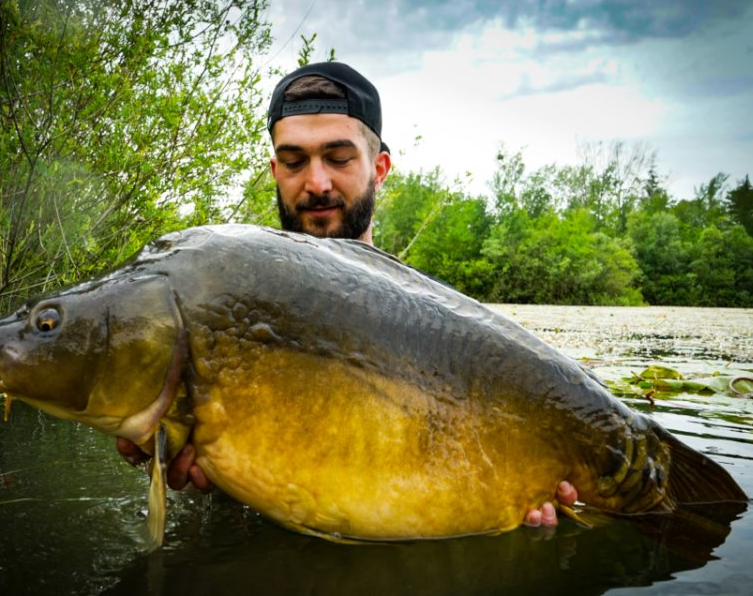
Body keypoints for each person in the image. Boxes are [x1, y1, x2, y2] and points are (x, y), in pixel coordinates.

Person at [117, 61, 577, 528]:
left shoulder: (454, 326)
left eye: (339, 158)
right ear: (275, 170)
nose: (316, 183)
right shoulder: (226, 303)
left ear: (379, 169)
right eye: (295, 162)